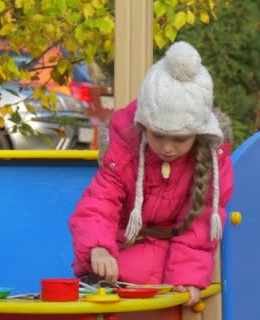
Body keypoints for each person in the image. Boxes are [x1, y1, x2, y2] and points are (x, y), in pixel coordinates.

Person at [69, 41, 234, 306]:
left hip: (172, 262)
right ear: (144, 125)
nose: (168, 148)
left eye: (180, 139)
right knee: (96, 287)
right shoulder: (126, 148)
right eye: (158, 135)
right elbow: (99, 203)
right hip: (120, 254)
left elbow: (199, 227)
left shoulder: (210, 160)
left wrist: (186, 277)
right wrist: (97, 247)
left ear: (197, 132)